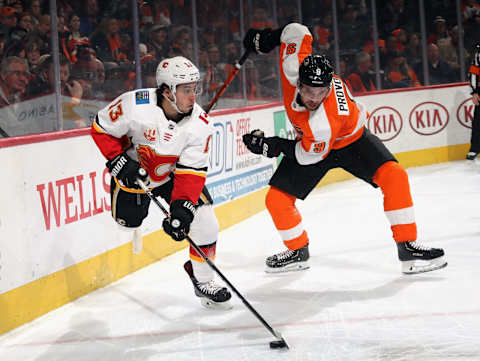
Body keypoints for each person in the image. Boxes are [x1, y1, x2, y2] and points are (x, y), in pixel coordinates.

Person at [241, 23, 447, 275]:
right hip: (314, 144)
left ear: (329, 88)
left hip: (351, 141)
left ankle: (408, 247)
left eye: (321, 92)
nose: (314, 98)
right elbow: (296, 30)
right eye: (308, 91)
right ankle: (297, 251)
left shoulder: (324, 122)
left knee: (394, 176)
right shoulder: (292, 66)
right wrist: (267, 39)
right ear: (298, 83)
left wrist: (270, 146)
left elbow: (306, 156)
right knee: (276, 200)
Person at [90, 56, 232, 308]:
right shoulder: (135, 104)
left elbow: (191, 172)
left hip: (171, 175)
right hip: (133, 176)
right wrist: (118, 160)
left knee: (205, 220)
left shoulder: (200, 125)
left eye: (195, 89)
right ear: (167, 91)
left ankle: (203, 279)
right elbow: (101, 128)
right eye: (186, 90)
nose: (194, 96)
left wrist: (182, 208)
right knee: (127, 223)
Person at [466, 43, 480, 160]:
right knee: (478, 122)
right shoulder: (479, 53)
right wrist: (474, 91)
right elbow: (474, 72)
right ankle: (475, 148)